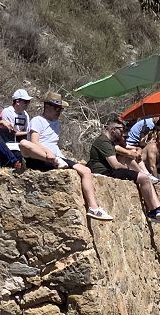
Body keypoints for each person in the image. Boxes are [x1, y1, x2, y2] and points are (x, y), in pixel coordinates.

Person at [19, 92, 113, 221]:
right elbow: (34, 142)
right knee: (24, 143)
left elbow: (53, 143)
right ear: (47, 106)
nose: (59, 112)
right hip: (39, 157)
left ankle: (93, 207)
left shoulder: (57, 124)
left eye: (60, 109)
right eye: (56, 108)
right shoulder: (38, 120)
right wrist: (48, 153)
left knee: (86, 171)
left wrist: (63, 157)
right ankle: (55, 160)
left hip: (56, 157)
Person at [87, 117, 160, 222]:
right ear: (113, 130)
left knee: (132, 164)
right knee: (143, 178)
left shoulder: (108, 142)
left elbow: (126, 153)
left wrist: (136, 152)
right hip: (104, 171)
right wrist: (131, 172)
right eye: (121, 131)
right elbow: (115, 165)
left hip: (109, 169)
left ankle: (157, 208)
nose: (123, 134)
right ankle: (155, 210)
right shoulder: (103, 142)